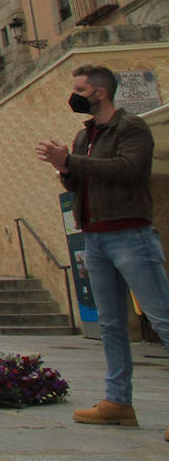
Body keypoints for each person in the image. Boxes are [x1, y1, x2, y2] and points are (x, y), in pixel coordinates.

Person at [36, 64, 168, 440]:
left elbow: (127, 169)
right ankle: (118, 402)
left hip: (131, 233)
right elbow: (78, 181)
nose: (74, 94)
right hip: (94, 236)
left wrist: (72, 161)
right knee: (111, 325)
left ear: (100, 93)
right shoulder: (85, 135)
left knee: (162, 317)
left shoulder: (132, 129)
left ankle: (119, 400)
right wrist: (64, 166)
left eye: (79, 88)